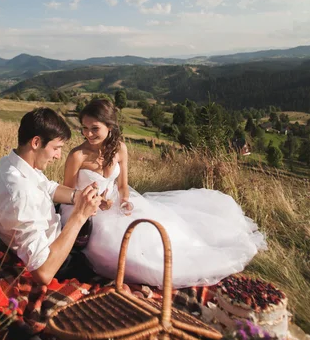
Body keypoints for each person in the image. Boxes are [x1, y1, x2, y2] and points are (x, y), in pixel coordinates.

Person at [61, 98, 267, 288]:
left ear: (110, 126)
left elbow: (123, 185)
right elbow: (67, 193)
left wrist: (124, 201)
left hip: (113, 205)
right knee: (126, 254)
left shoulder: (120, 149)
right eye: (85, 129)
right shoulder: (77, 155)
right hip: (85, 212)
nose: (88, 134)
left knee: (161, 236)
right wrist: (91, 202)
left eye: (94, 128)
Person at [0, 107, 101, 285]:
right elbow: (43, 272)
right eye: (56, 148)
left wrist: (79, 197)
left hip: (54, 233)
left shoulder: (14, 163)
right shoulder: (20, 194)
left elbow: (47, 187)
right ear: (36, 142)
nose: (58, 156)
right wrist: (79, 216)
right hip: (57, 259)